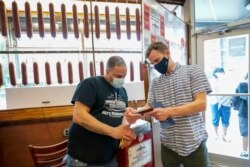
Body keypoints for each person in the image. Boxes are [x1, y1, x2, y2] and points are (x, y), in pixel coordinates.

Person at [125, 41, 212, 167]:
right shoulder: (155, 83)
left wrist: (169, 112)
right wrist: (136, 113)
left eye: (157, 60)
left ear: (167, 53)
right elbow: (149, 106)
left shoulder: (193, 71)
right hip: (168, 145)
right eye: (153, 63)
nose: (156, 65)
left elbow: (201, 104)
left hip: (193, 143)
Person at [66, 56, 136, 167]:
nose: (121, 79)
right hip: (84, 159)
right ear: (107, 71)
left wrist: (126, 133)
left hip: (110, 157)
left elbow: (121, 119)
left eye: (124, 76)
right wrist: (113, 131)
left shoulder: (122, 91)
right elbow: (79, 115)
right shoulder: (91, 84)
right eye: (118, 76)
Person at [210, 67, 231, 142]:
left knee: (226, 119)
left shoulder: (226, 79)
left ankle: (224, 135)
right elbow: (212, 89)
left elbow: (229, 89)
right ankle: (216, 134)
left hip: (226, 102)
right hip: (215, 102)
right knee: (215, 119)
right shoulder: (212, 79)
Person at [231, 73, 248, 158]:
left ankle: (245, 151)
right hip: (244, 111)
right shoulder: (243, 84)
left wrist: (233, 104)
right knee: (245, 132)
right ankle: (245, 151)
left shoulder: (242, 84)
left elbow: (235, 98)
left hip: (243, 111)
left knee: (245, 132)